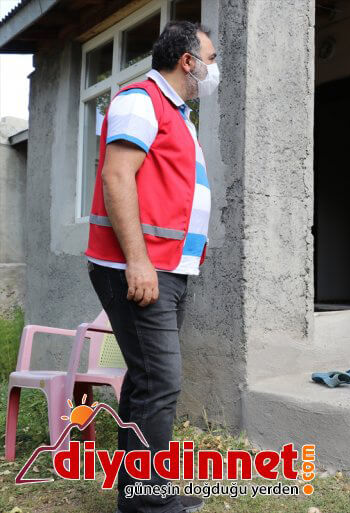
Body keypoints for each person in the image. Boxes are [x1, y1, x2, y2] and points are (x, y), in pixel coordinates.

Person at [85, 20, 218, 513]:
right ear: (188, 60)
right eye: (211, 57)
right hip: (142, 269)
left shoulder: (177, 112)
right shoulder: (140, 100)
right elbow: (117, 176)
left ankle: (142, 494)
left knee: (146, 380)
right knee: (160, 381)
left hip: (168, 268)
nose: (213, 68)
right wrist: (138, 261)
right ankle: (147, 502)